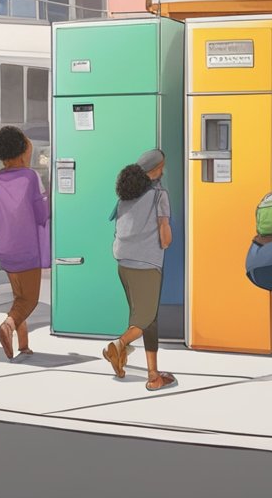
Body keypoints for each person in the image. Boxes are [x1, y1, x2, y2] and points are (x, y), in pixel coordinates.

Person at [102, 150, 176, 391]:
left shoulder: (126, 195)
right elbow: (165, 235)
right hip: (147, 264)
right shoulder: (159, 195)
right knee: (143, 319)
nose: (162, 171)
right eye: (161, 167)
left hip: (123, 263)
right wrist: (166, 240)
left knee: (148, 319)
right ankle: (117, 345)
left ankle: (153, 375)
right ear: (154, 170)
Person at [0, 126, 50, 361]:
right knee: (29, 300)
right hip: (27, 249)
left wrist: (1, 240)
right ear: (23, 151)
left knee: (18, 297)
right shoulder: (31, 177)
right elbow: (43, 214)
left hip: (5, 249)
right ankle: (7, 325)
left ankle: (23, 345)